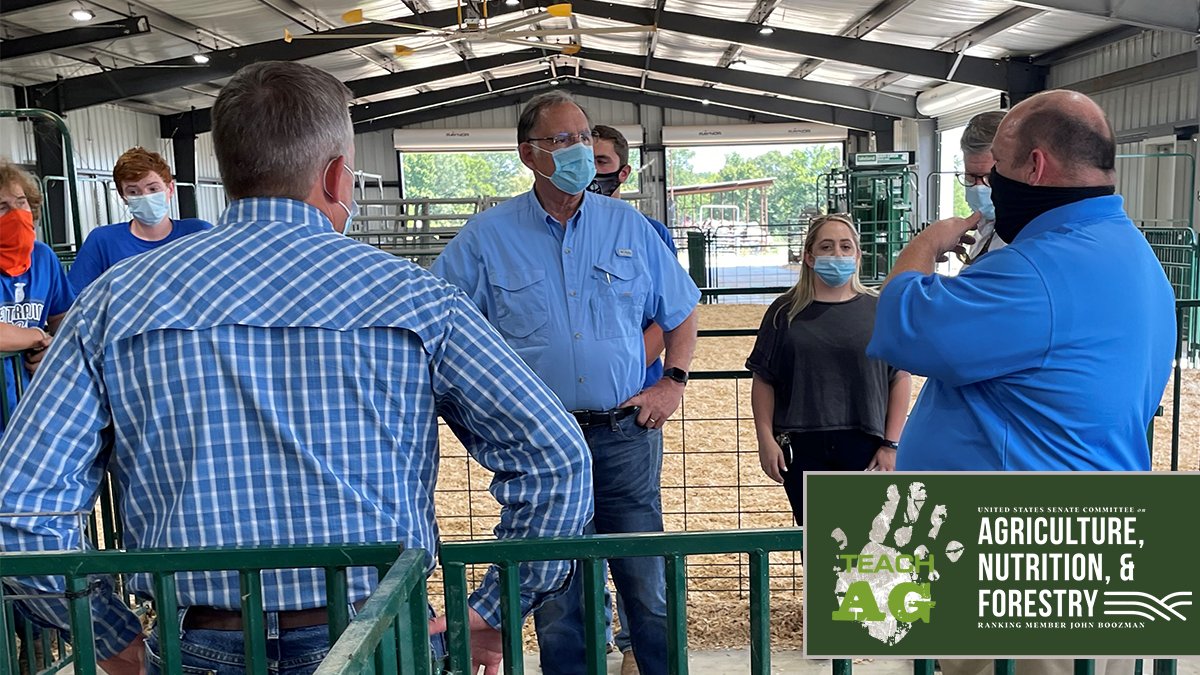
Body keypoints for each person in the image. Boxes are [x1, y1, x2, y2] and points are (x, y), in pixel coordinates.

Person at [0, 61, 594, 675]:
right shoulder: (416, 298)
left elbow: (19, 508)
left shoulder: (113, 302)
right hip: (378, 638)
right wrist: (494, 610)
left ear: (228, 172)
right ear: (338, 175)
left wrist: (110, 639)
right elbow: (556, 456)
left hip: (196, 644)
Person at [432, 91, 700, 675]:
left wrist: (672, 382)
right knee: (561, 598)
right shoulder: (485, 238)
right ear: (529, 154)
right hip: (541, 450)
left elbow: (681, 311)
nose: (579, 150)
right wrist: (483, 415)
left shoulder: (629, 226)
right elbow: (444, 327)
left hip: (625, 433)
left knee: (646, 586)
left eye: (583, 138)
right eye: (563, 140)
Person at [868, 90, 1175, 471]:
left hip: (1021, 518)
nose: (990, 182)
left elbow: (904, 326)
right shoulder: (1134, 254)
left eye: (996, 165)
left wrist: (925, 244)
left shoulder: (1039, 270)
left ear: (1035, 165)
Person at [746, 214, 911, 526]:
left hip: (865, 442)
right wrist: (765, 438)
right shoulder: (785, 312)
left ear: (857, 255)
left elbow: (899, 377)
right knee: (818, 539)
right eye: (827, 246)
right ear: (809, 257)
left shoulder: (878, 309)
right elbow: (764, 378)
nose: (837, 254)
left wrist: (891, 444)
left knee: (867, 536)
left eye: (845, 247)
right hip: (802, 444)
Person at [588, 123, 676, 675]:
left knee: (636, 533)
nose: (592, 171)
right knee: (570, 537)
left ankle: (635, 648)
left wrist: (626, 370)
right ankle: (593, 639)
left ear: (623, 171)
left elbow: (673, 312)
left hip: (631, 406)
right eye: (582, 158)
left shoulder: (645, 231)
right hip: (569, 411)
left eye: (601, 161)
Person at [67, 147, 210, 294]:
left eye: (153, 189)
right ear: (123, 197)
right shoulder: (103, 241)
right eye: (133, 192)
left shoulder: (199, 234)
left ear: (170, 189)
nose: (145, 197)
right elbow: (75, 299)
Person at [0, 160, 74, 418]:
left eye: (21, 202)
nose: (17, 214)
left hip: (31, 401)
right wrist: (36, 336)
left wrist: (57, 348)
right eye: (2, 207)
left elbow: (62, 316)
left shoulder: (43, 257)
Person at [957, 110, 1008, 264]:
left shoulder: (1024, 241)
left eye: (989, 177)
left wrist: (926, 246)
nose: (979, 188)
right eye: (971, 176)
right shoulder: (984, 231)